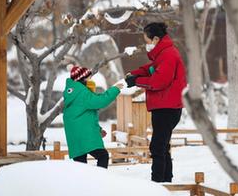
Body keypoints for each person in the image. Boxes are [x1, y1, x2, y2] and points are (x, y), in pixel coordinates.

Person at [125, 22, 187, 182]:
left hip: (167, 108)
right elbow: (150, 68)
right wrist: (134, 74)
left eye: (147, 41)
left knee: (158, 147)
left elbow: (159, 81)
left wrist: (137, 81)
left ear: (156, 39)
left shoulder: (168, 55)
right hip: (164, 106)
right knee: (162, 146)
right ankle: (166, 182)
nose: (146, 44)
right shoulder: (163, 54)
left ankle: (158, 183)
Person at [63, 64, 123, 169]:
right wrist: (115, 89)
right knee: (103, 156)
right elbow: (100, 101)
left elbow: (84, 116)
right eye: (89, 77)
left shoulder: (73, 93)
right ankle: (99, 180)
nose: (90, 80)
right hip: (85, 137)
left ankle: (85, 184)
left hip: (75, 138)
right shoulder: (82, 92)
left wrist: (98, 130)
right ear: (82, 79)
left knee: (81, 167)